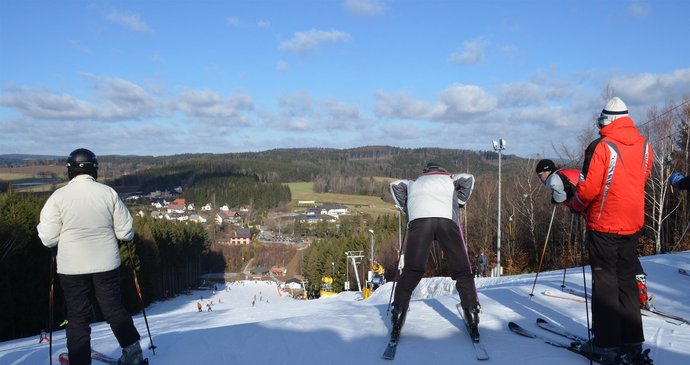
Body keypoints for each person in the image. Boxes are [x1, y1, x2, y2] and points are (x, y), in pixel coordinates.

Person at [37, 148, 145, 365]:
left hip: (71, 267)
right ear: (94, 170)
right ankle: (134, 355)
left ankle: (79, 361)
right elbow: (125, 233)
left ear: (70, 171)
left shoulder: (58, 197)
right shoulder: (108, 193)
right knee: (114, 309)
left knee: (78, 317)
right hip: (107, 264)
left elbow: (48, 238)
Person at [570, 97, 654, 365]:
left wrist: (576, 204)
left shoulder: (601, 146)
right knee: (627, 280)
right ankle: (632, 340)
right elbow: (641, 177)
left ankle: (607, 344)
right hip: (632, 222)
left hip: (604, 222)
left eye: (602, 119)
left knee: (605, 282)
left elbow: (589, 187)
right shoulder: (644, 145)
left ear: (608, 119)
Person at [389, 162, 481, 341]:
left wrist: (405, 206)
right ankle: (472, 314)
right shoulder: (449, 179)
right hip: (446, 221)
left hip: (419, 222)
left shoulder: (414, 183)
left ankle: (398, 313)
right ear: (442, 171)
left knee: (412, 270)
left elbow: (395, 185)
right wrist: (460, 201)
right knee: (462, 270)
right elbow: (469, 179)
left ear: (425, 172)